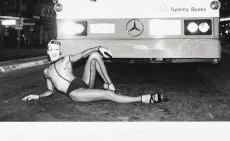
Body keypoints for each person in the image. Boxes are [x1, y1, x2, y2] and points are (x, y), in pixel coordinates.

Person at [22, 40, 164, 104]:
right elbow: (49, 90)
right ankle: (141, 99)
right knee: (107, 95)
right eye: (51, 50)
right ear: (47, 52)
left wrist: (98, 47)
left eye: (56, 50)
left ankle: (109, 84)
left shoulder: (66, 59)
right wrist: (38, 95)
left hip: (82, 83)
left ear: (59, 51)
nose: (53, 52)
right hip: (75, 92)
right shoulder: (46, 71)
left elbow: (83, 54)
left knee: (95, 56)